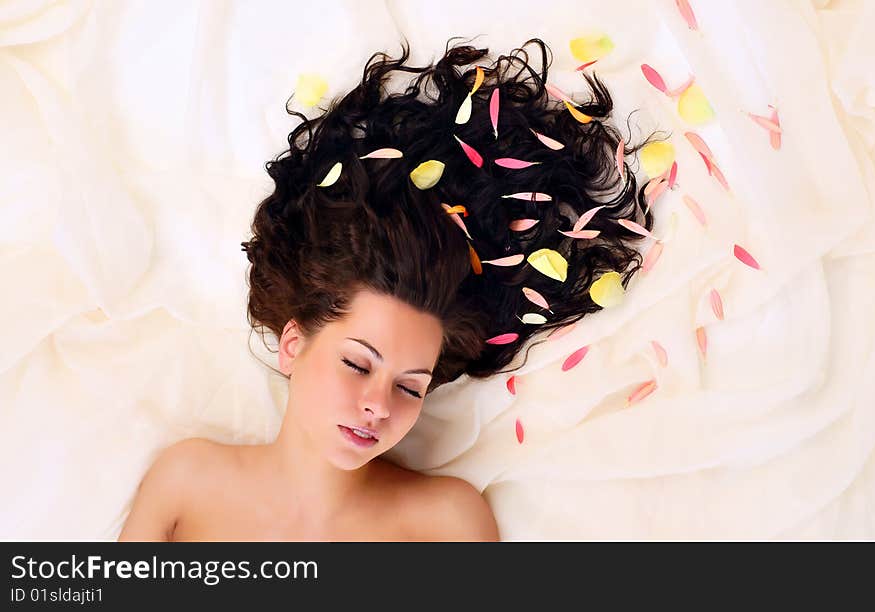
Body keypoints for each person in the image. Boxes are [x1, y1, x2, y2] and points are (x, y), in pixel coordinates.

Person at [119, 36, 658, 541]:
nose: (378, 405)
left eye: (409, 387)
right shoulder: (186, 483)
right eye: (357, 364)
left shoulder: (446, 523)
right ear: (292, 345)